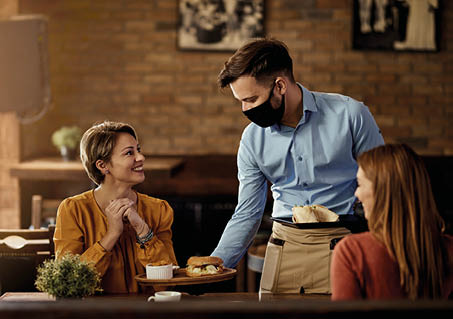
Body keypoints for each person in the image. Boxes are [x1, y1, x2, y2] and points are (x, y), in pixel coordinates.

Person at [211, 38, 384, 294]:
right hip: (283, 247)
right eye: (241, 102)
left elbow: (386, 188)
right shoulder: (252, 139)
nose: (245, 109)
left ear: (279, 85)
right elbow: (247, 212)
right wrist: (213, 267)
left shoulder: (351, 115)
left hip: (346, 246)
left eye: (250, 99)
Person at [54, 121, 177, 293]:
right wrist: (111, 235)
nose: (141, 158)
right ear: (102, 166)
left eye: (138, 150)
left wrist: (143, 231)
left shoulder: (159, 210)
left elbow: (167, 284)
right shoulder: (73, 210)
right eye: (129, 153)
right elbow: (68, 284)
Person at [331, 144, 453, 300]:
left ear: (383, 192)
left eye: (360, 184)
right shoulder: (449, 250)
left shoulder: (352, 252)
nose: (357, 193)